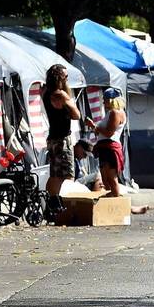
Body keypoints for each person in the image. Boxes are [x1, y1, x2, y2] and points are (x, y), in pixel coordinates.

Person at [42, 64, 81, 203]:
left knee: (54, 175)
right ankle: (62, 204)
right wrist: (69, 101)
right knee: (67, 175)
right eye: (66, 76)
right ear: (60, 77)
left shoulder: (46, 92)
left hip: (52, 137)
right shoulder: (61, 94)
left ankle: (50, 202)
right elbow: (77, 115)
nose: (67, 79)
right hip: (63, 139)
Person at [85, 88, 126, 197]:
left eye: (105, 99)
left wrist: (94, 126)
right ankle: (113, 201)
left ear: (112, 100)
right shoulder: (111, 113)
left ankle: (117, 202)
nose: (103, 102)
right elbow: (103, 133)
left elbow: (109, 133)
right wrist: (94, 127)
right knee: (106, 179)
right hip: (105, 147)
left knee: (111, 178)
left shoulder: (115, 112)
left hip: (110, 148)